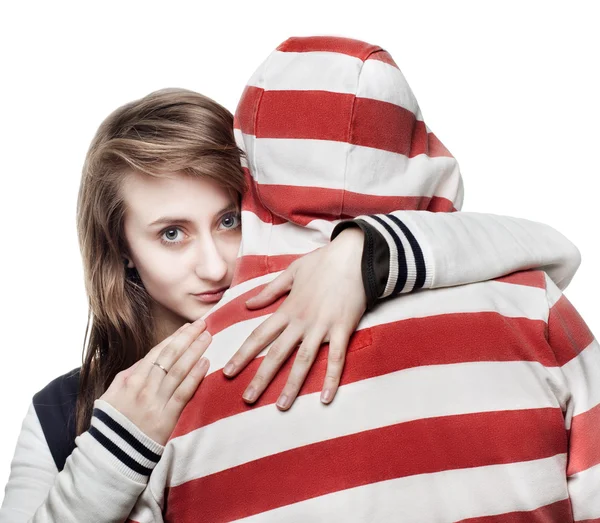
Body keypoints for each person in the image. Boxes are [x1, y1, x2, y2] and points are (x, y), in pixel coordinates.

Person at [0, 45, 583, 523]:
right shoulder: (60, 412)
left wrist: (362, 250)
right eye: (172, 234)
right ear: (123, 250)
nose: (213, 264)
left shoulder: (333, 292)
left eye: (229, 220)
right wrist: (115, 451)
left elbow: (545, 249)